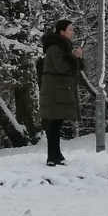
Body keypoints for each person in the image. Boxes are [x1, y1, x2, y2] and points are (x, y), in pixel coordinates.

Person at [38, 19, 83, 167]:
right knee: (54, 123)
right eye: (70, 30)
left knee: (57, 123)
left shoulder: (63, 48)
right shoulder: (55, 48)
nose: (72, 32)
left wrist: (77, 59)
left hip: (60, 91)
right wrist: (74, 57)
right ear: (61, 32)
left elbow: (71, 68)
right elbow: (61, 67)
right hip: (54, 92)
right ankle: (52, 155)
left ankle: (56, 154)